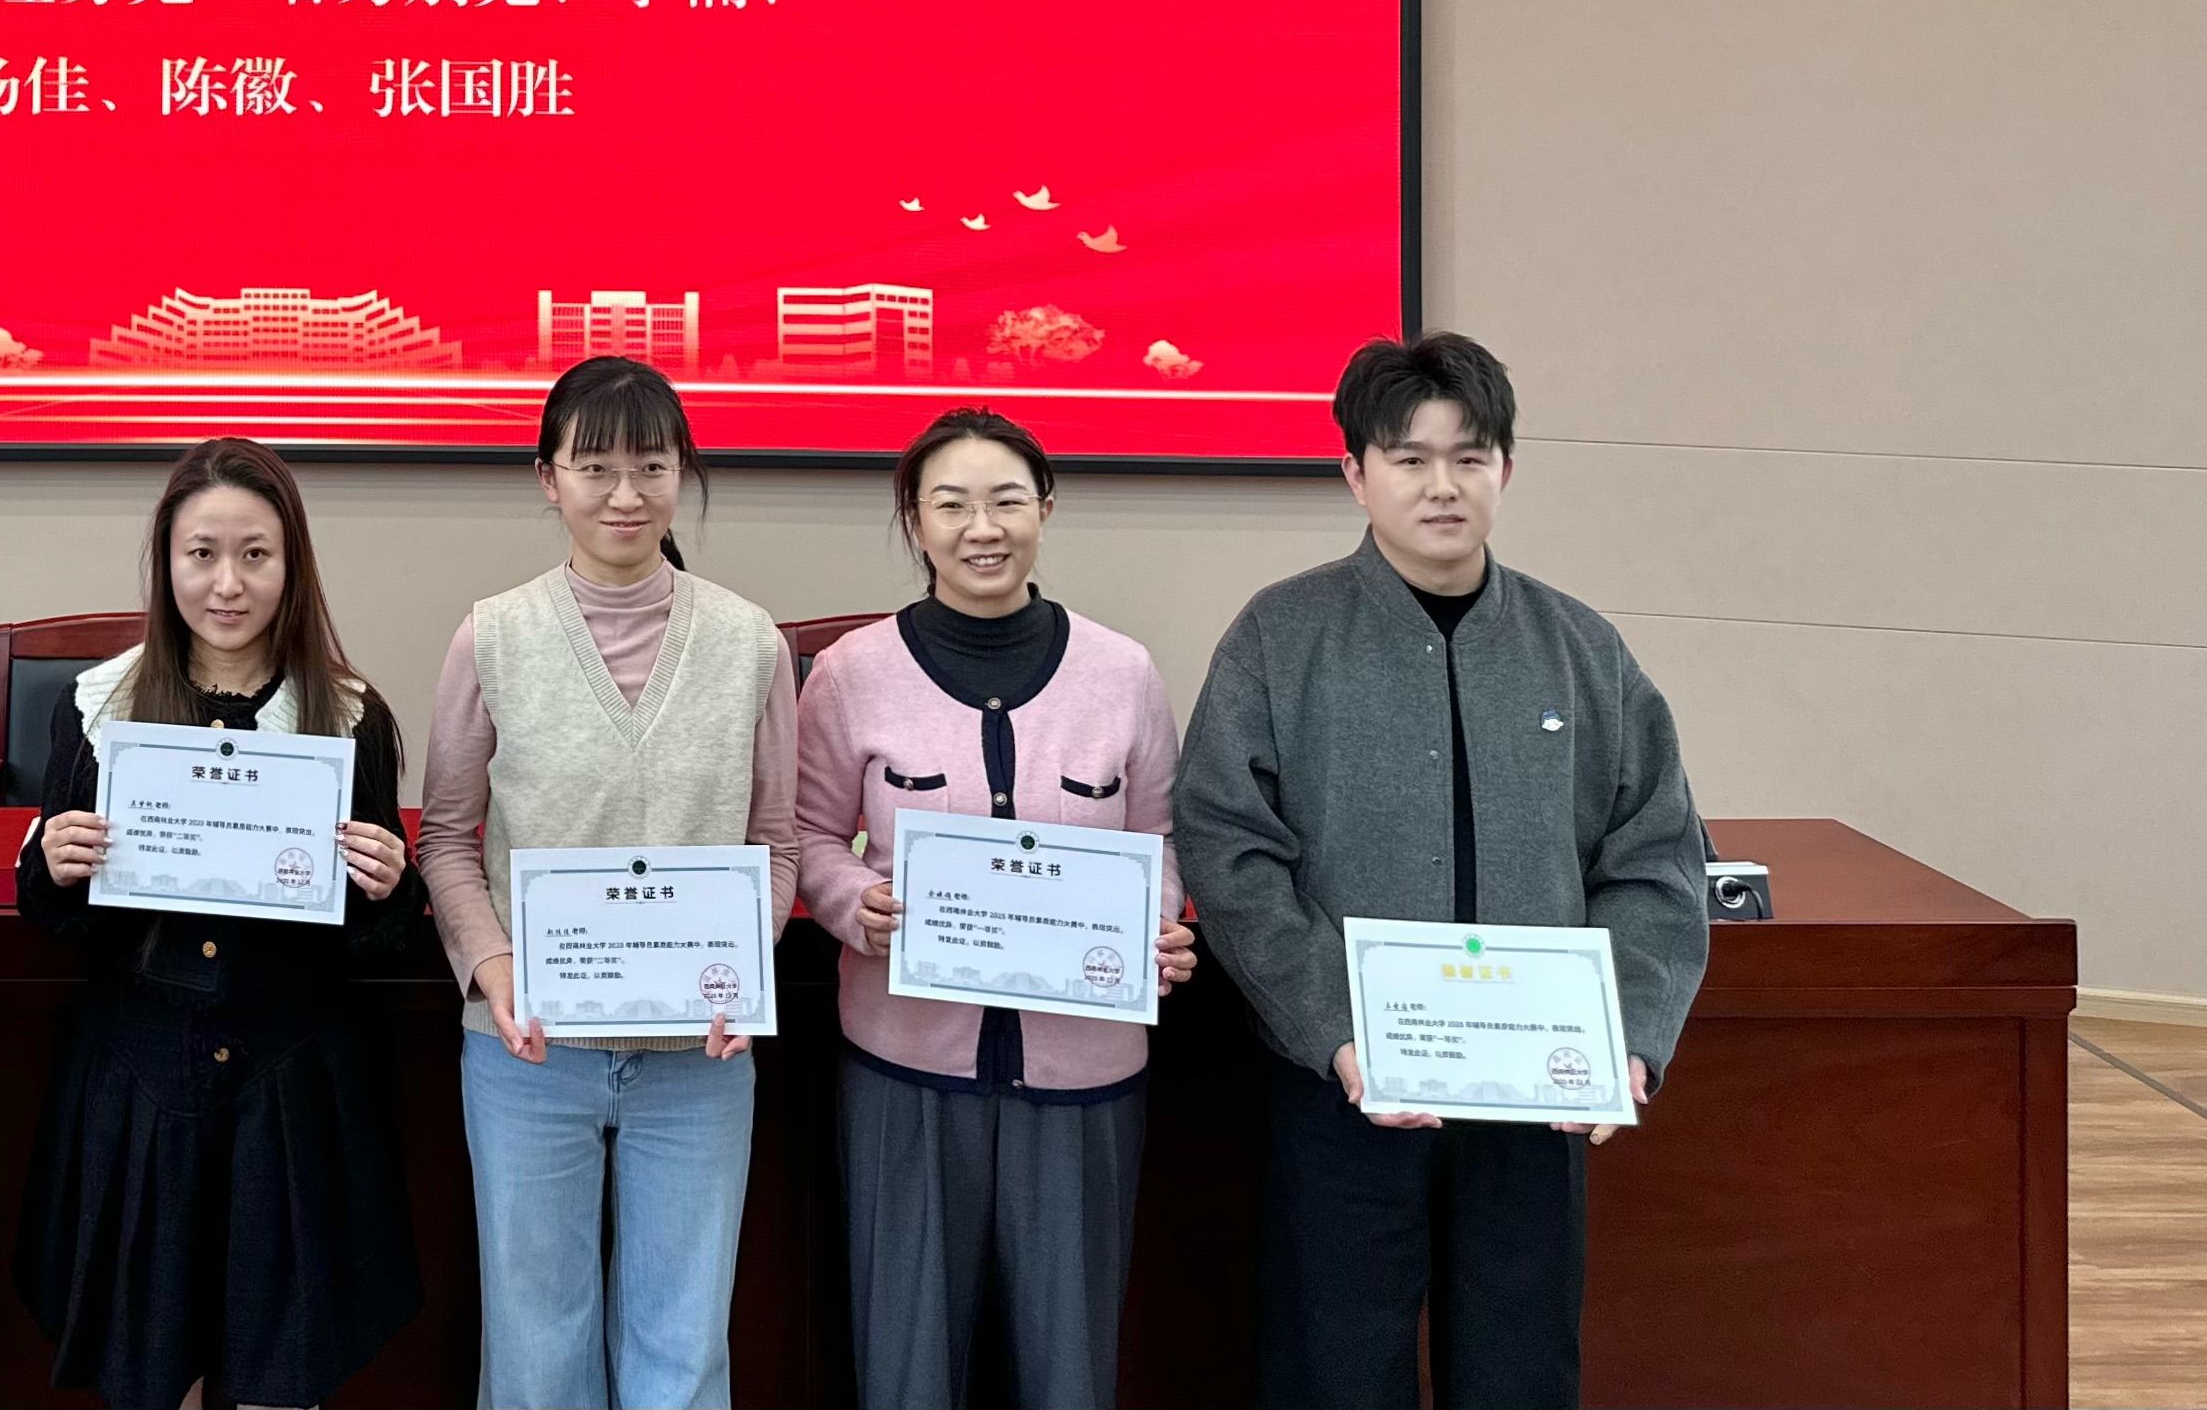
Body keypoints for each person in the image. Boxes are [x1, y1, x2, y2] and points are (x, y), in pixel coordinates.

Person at [1173, 334, 1712, 1410]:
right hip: (1346, 1086)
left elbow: (1656, 855)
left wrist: (1625, 1033)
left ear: (1506, 468)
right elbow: (1228, 846)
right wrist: (1334, 1027)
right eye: (1409, 458)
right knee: (1333, 1369)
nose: (1442, 485)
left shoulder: (1580, 648)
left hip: (1535, 1097)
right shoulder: (1282, 635)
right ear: (1354, 472)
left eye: (1469, 457)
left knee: (1521, 1370)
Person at [15, 437, 429, 1410]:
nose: (228, 583)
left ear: (293, 565)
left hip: (288, 1090)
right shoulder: (99, 704)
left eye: (255, 554)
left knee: (280, 1375)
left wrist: (387, 887)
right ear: (167, 562)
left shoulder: (349, 715)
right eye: (201, 553)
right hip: (141, 1083)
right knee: (154, 1374)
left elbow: (375, 946)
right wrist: (54, 867)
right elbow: (57, 922)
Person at [418, 356, 799, 1410]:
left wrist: (742, 971)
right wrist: (493, 968)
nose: (625, 493)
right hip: (530, 1048)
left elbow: (777, 842)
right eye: (595, 467)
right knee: (535, 1339)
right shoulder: (492, 634)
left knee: (684, 1340)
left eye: (651, 465)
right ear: (549, 479)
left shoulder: (750, 642)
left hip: (698, 1057)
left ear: (683, 473)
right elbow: (446, 837)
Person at [795, 409, 1194, 1410]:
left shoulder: (1123, 672)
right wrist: (851, 901)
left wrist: (1157, 926)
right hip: (906, 1065)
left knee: (1069, 1364)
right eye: (952, 504)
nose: (983, 527)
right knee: (908, 1359)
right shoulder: (850, 672)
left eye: (1008, 499)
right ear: (915, 522)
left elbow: (1159, 835)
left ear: (1045, 508)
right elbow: (802, 834)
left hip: (1085, 1069)